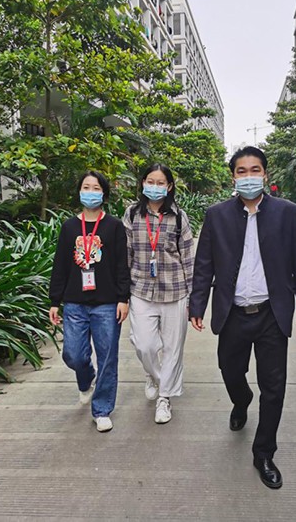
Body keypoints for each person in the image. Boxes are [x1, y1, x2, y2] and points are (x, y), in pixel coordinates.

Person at [189, 146, 296, 489]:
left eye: (254, 170)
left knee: (273, 387)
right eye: (241, 171)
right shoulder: (216, 215)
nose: (248, 177)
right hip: (232, 313)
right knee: (230, 370)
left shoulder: (288, 213)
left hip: (272, 313)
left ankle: (264, 453)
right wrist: (197, 305)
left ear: (265, 174)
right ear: (233, 177)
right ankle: (241, 400)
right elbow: (204, 264)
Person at [49, 170, 130, 433]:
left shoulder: (114, 226)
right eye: (86, 187)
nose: (90, 192)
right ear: (79, 191)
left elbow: (121, 265)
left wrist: (123, 298)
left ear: (104, 193)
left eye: (96, 188)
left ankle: (102, 409)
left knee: (108, 357)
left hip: (107, 303)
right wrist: (55, 300)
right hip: (75, 302)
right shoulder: (69, 227)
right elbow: (60, 265)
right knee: (73, 354)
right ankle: (86, 379)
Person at [123, 165, 194, 425]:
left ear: (169, 186)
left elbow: (188, 257)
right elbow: (125, 254)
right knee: (145, 345)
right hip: (140, 289)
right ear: (143, 183)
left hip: (175, 290)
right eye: (150, 181)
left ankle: (165, 398)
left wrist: (193, 298)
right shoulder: (132, 213)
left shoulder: (179, 217)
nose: (155, 186)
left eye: (160, 182)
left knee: (173, 348)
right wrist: (122, 294)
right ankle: (153, 375)